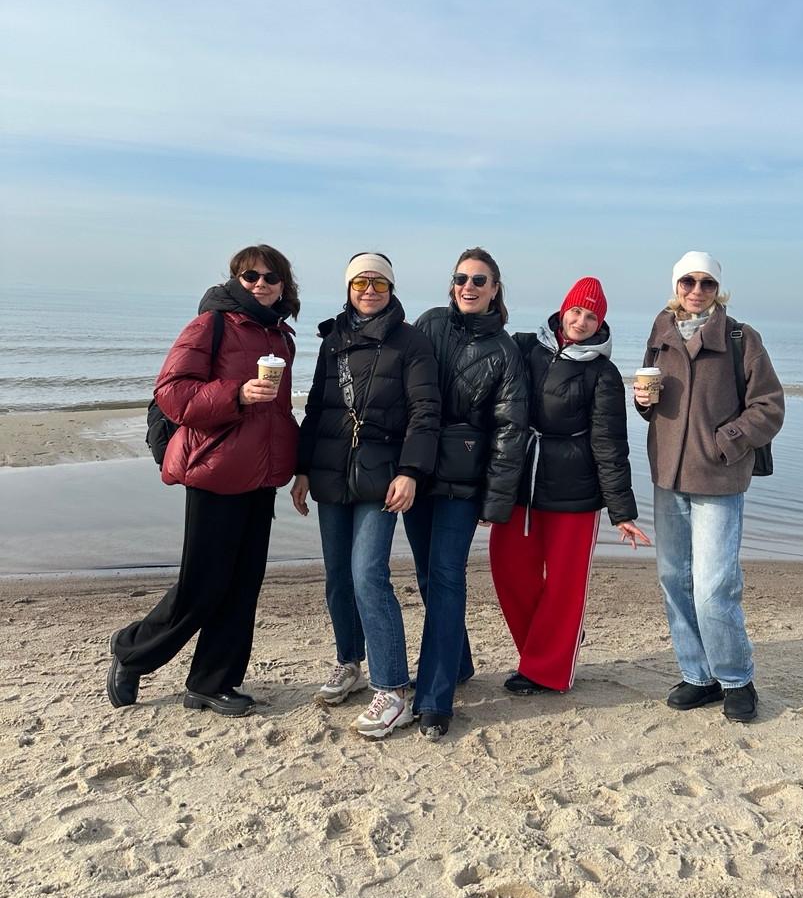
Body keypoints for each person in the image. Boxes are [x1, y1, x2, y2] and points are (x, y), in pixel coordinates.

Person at [107, 245, 301, 716]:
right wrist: (237, 393)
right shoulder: (211, 324)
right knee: (202, 585)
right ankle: (131, 651)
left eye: (270, 277)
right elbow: (172, 393)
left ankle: (212, 682)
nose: (260, 284)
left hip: (262, 477)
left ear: (283, 286)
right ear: (236, 279)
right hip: (216, 471)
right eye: (250, 276)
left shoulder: (281, 337)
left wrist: (296, 463)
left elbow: (278, 412)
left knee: (243, 586)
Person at [291, 253, 440, 740]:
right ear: (349, 288)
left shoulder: (411, 341)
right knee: (337, 575)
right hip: (330, 470)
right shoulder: (332, 339)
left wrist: (411, 471)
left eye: (379, 282)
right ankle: (349, 661)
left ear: (391, 288)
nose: (369, 290)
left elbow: (425, 411)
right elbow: (317, 407)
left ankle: (392, 689)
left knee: (367, 575)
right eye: (360, 282)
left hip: (381, 473)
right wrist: (302, 469)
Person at [634, 252, 784, 723]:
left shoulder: (741, 337)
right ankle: (698, 676)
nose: (696, 290)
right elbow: (651, 401)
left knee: (714, 586)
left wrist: (726, 441)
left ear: (718, 289)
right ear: (675, 286)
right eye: (687, 281)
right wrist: (642, 402)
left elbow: (769, 407)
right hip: (667, 477)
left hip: (719, 477)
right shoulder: (660, 332)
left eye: (706, 283)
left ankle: (736, 679)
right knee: (674, 580)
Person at [489, 277, 649, 695]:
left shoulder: (603, 373)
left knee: (565, 583)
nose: (581, 321)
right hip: (520, 480)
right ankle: (557, 641)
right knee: (508, 566)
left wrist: (622, 511)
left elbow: (609, 443)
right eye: (576, 311)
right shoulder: (526, 347)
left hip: (576, 490)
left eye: (591, 316)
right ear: (563, 311)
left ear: (601, 324)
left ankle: (546, 669)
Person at [404, 248, 528, 739]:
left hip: (463, 480)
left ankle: (435, 698)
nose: (468, 286)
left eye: (479, 280)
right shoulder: (430, 323)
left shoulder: (505, 351)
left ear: (495, 289)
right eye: (461, 278)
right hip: (416, 471)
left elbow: (510, 432)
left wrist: (495, 501)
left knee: (447, 576)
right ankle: (459, 663)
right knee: (426, 573)